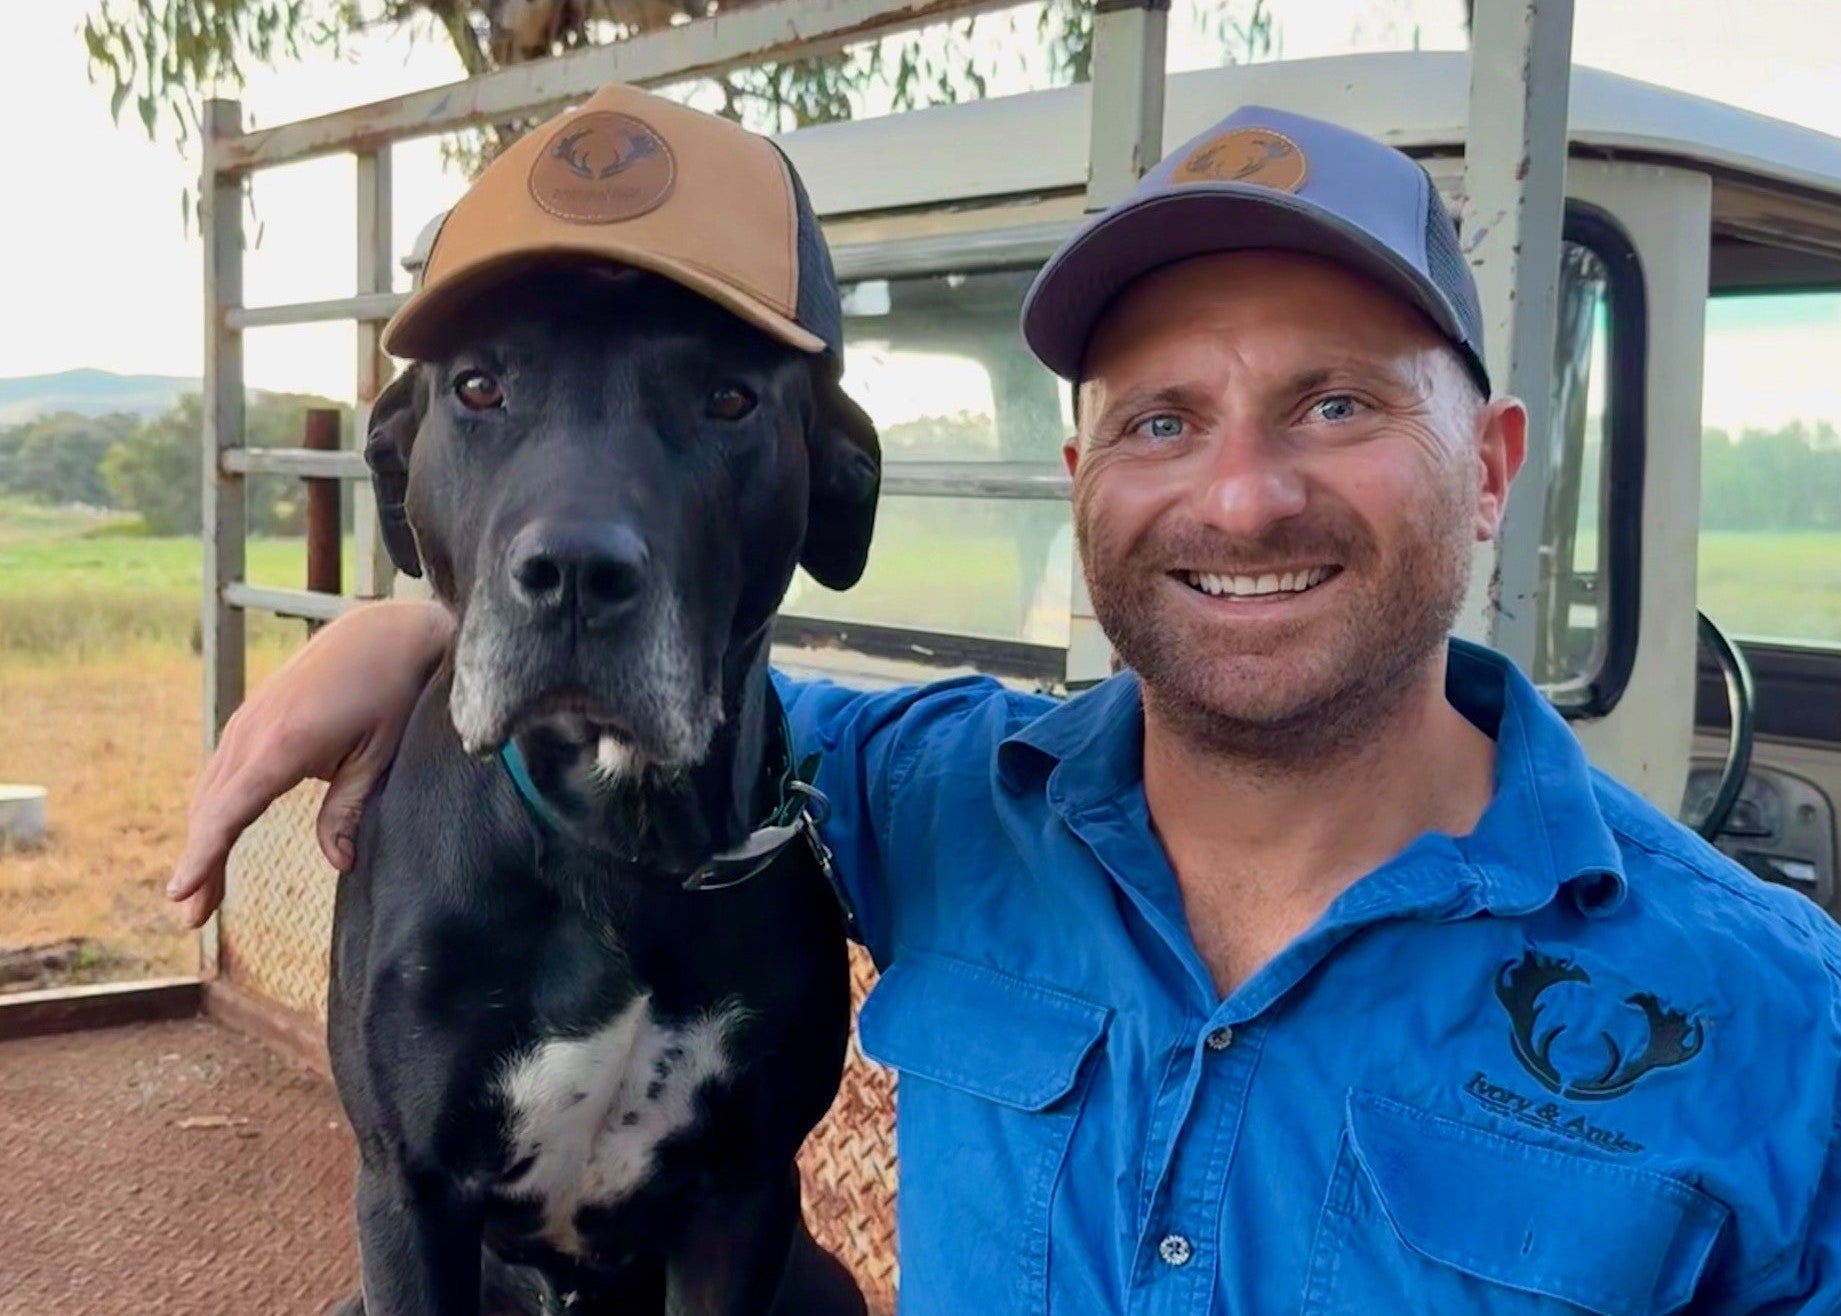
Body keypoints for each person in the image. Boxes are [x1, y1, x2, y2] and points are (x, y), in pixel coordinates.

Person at [169, 104, 1840, 1313]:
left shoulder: (1780, 1027)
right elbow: (676, 694)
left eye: (1333, 403)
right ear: (1083, 479)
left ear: (1487, 471)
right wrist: (424, 626)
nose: (1241, 499)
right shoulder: (929, 796)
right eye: (1162, 420)